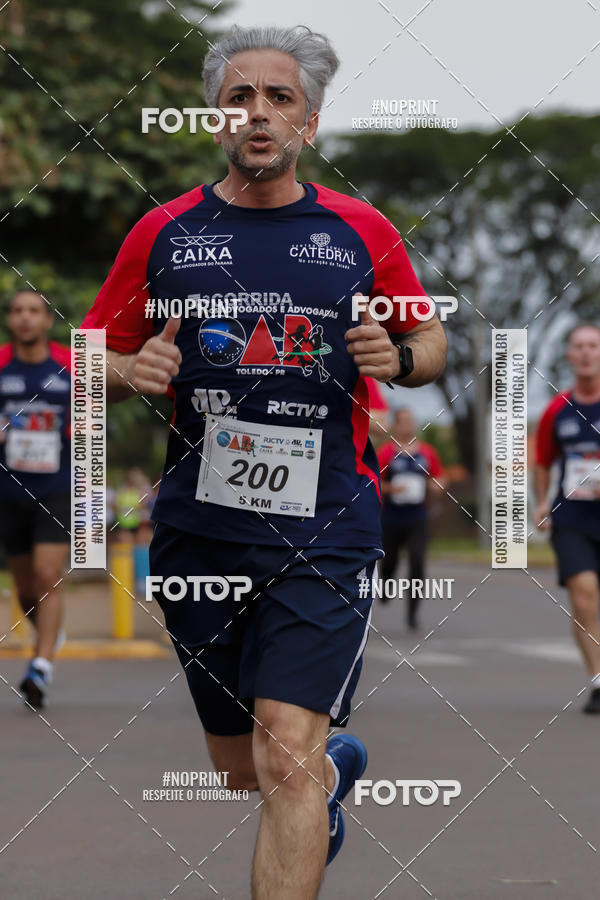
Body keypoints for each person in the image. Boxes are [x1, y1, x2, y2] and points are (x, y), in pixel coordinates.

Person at [82, 25, 446, 898]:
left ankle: (310, 775)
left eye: (279, 98)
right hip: (198, 535)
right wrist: (132, 368)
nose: (259, 113)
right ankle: (326, 782)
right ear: (216, 117)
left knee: (284, 747)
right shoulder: (164, 232)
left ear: (309, 124)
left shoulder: (360, 231)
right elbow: (89, 350)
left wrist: (397, 359)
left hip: (327, 526)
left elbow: (428, 337)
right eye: (241, 96)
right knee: (242, 766)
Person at [0, 290, 71, 709]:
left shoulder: (70, 364)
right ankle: (49, 629)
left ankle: (41, 666)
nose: (25, 318)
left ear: (47, 320)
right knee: (25, 586)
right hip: (8, 490)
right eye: (18, 311)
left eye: (34, 311)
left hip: (56, 488)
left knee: (48, 575)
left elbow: (91, 423)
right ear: (11, 320)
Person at [534, 322, 600, 714]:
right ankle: (598, 679)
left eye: (594, 345)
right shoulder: (557, 410)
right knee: (585, 597)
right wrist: (542, 502)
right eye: (580, 346)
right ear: (569, 355)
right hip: (573, 517)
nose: (587, 352)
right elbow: (544, 462)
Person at [377, 407, 445, 629]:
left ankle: (413, 615)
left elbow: (440, 478)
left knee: (417, 562)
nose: (407, 425)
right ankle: (385, 586)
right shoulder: (386, 453)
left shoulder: (426, 452)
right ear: (396, 425)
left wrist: (437, 486)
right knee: (389, 561)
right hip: (391, 517)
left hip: (417, 517)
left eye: (410, 421)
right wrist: (391, 488)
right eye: (403, 421)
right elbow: (373, 481)